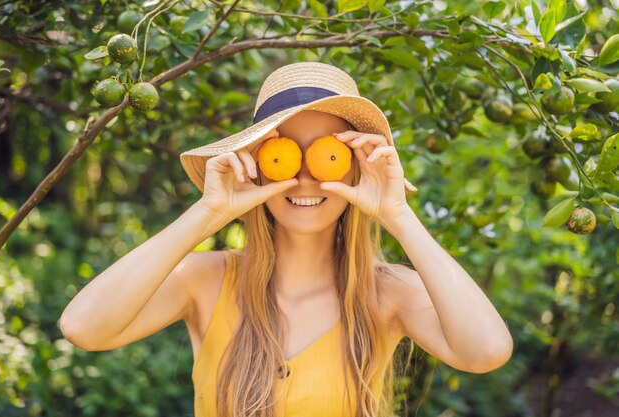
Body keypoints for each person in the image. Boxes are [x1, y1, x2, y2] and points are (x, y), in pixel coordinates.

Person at [60, 62, 513, 417]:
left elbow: (486, 352)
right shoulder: (207, 281)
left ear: (353, 167)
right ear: (256, 163)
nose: (304, 178)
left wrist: (397, 213)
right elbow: (84, 327)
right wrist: (207, 213)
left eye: (327, 156)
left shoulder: (384, 293)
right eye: (284, 153)